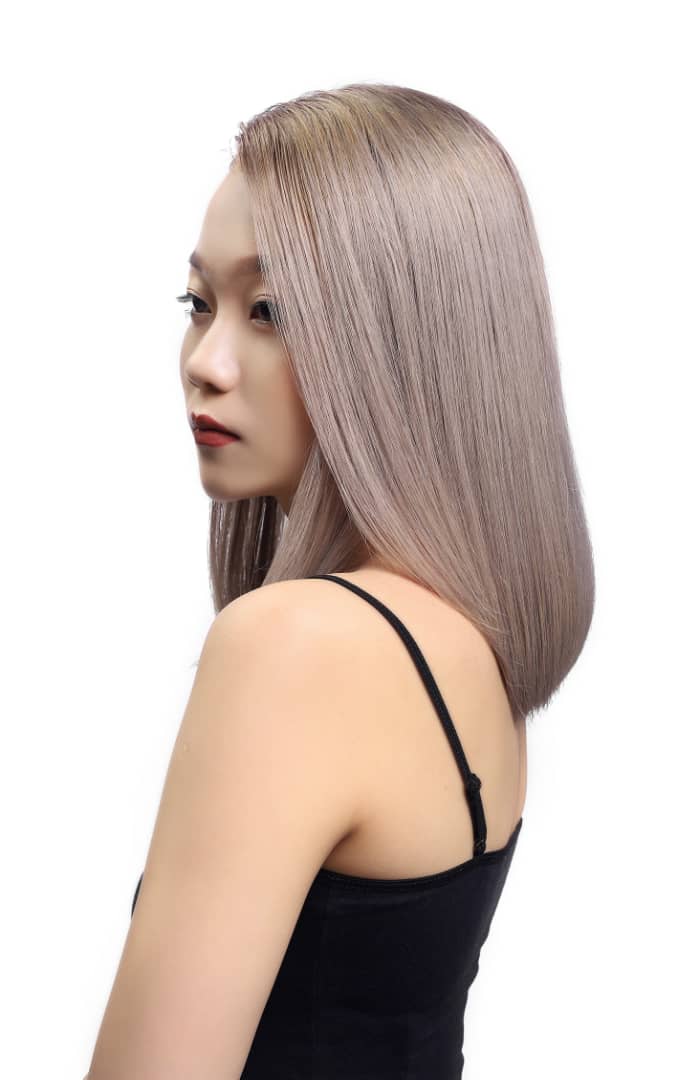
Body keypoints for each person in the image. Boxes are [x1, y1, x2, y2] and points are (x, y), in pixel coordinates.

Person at [84, 82, 594, 1079]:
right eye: (199, 304)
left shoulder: (299, 647)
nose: (206, 362)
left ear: (403, 342)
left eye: (270, 311)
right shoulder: (466, 636)